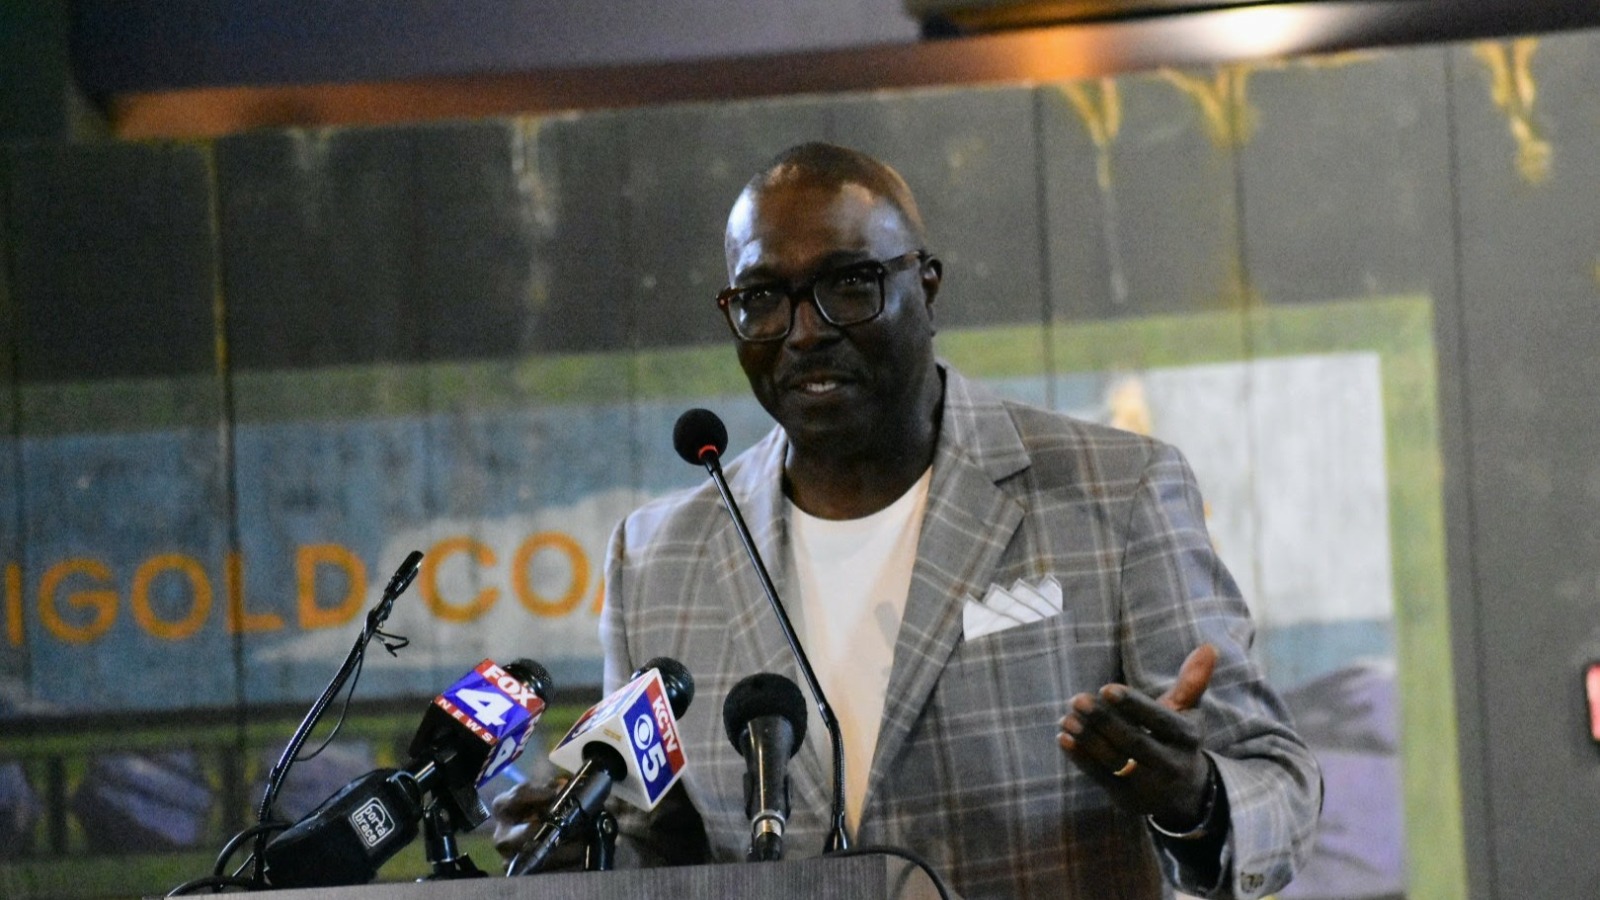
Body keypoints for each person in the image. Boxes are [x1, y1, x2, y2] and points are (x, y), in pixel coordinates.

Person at [494, 142, 1321, 898]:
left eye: (848, 285)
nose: (805, 332)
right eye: (763, 300)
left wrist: (1196, 798)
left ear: (925, 285)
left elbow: (1276, 788)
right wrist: (587, 852)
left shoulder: (1117, 492)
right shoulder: (658, 560)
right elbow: (661, 852)